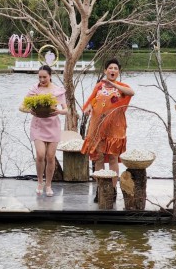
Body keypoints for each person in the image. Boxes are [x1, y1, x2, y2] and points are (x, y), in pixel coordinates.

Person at [80, 58, 135, 202]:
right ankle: (100, 189)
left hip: (115, 128)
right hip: (98, 127)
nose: (113, 70)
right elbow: (90, 102)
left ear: (118, 72)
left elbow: (131, 92)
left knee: (112, 157)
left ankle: (113, 188)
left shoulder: (122, 87)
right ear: (105, 71)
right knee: (98, 157)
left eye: (115, 68)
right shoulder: (99, 86)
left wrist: (112, 84)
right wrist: (89, 107)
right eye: (110, 68)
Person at [19, 65, 68, 197]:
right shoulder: (34, 89)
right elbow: (22, 106)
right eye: (40, 77)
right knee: (40, 155)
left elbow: (66, 109)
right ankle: (40, 182)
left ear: (50, 76)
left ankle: (48, 185)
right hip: (38, 125)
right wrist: (30, 110)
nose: (42, 79)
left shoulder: (58, 90)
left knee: (50, 157)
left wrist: (59, 111)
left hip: (53, 126)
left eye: (44, 77)